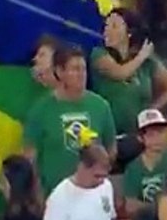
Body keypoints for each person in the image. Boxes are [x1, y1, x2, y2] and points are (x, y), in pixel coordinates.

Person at [24, 45, 118, 195]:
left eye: (83, 69)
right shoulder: (40, 110)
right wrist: (38, 195)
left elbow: (111, 150)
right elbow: (30, 159)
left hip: (93, 194)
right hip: (54, 195)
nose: (81, 74)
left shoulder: (101, 106)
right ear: (60, 72)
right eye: (75, 69)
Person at [90, 8, 167, 141]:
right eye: (106, 26)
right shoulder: (99, 55)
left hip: (138, 135)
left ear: (129, 32)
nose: (107, 30)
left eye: (114, 26)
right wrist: (142, 56)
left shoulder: (145, 61)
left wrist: (152, 109)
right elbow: (121, 73)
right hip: (110, 135)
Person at [41, 144, 117, 220]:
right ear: (82, 167)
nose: (101, 181)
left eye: (104, 176)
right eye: (97, 176)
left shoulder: (106, 186)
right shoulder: (61, 196)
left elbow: (110, 219)